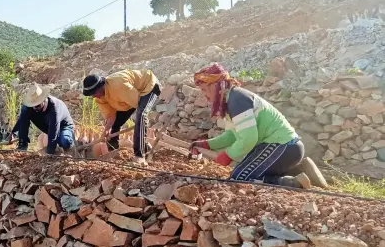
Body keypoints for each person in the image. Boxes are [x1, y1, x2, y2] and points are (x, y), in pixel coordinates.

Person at [189, 63, 325, 189]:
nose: (205, 95)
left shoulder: (237, 100)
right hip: (280, 147)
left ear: (215, 86)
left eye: (204, 90)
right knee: (240, 174)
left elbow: (249, 139)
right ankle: (296, 173)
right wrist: (207, 144)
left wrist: (227, 155)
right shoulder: (232, 99)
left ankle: (292, 182)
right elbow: (232, 135)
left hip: (282, 146)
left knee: (240, 178)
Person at [82, 69, 161, 165]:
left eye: (94, 93)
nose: (93, 97)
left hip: (148, 86)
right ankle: (113, 153)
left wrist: (141, 128)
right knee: (114, 125)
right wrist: (106, 130)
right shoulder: (100, 98)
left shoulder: (119, 86)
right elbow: (111, 116)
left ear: (101, 87)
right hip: (128, 97)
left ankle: (140, 155)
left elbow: (139, 104)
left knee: (141, 115)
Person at [8, 83, 75, 154]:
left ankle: (69, 141)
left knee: (65, 141)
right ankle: (23, 145)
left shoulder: (54, 109)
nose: (34, 108)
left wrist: (49, 153)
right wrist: (14, 133)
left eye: (37, 105)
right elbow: (22, 120)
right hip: (48, 126)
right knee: (25, 110)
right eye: (33, 105)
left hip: (63, 126)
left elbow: (53, 130)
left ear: (43, 100)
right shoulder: (30, 107)